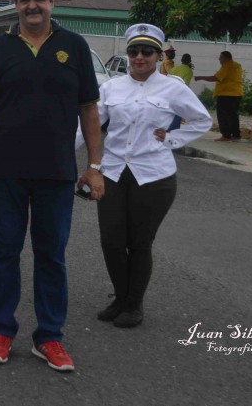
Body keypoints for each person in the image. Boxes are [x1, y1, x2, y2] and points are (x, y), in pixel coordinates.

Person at [0, 0, 104, 373]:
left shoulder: (74, 47)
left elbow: (89, 111)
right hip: (4, 171)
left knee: (51, 256)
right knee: (2, 254)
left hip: (57, 173)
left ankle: (50, 337)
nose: (32, 5)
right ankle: (2, 330)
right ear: (16, 5)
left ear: (52, 2)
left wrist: (94, 167)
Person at [86, 25, 211, 329]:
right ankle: (121, 296)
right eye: (133, 51)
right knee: (112, 241)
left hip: (154, 176)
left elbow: (202, 120)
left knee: (140, 242)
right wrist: (63, 154)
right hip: (114, 172)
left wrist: (169, 139)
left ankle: (133, 304)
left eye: (147, 52)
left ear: (157, 56)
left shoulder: (174, 88)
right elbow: (89, 126)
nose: (139, 57)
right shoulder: (111, 88)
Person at [194, 51, 243, 141]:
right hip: (237, 93)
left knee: (222, 115)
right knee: (233, 115)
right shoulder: (237, 65)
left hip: (226, 94)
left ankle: (226, 135)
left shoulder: (227, 66)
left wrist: (200, 77)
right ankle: (236, 135)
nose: (219, 60)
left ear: (226, 58)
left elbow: (215, 78)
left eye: (221, 58)